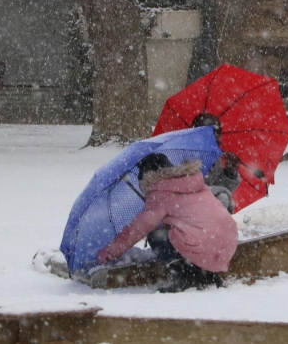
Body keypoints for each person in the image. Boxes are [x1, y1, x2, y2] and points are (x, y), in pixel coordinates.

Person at [97, 153, 239, 293]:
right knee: (197, 235)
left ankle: (184, 276)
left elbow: (136, 229)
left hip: (203, 241)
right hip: (227, 241)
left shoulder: (160, 192)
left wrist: (110, 252)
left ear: (147, 178)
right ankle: (209, 275)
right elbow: (194, 216)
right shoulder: (192, 182)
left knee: (156, 236)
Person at [191, 113, 241, 214]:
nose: (214, 141)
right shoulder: (186, 156)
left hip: (211, 216)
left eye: (216, 136)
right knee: (223, 198)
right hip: (191, 213)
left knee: (223, 198)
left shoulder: (213, 155)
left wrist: (230, 171)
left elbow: (218, 183)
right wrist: (219, 193)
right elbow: (190, 190)